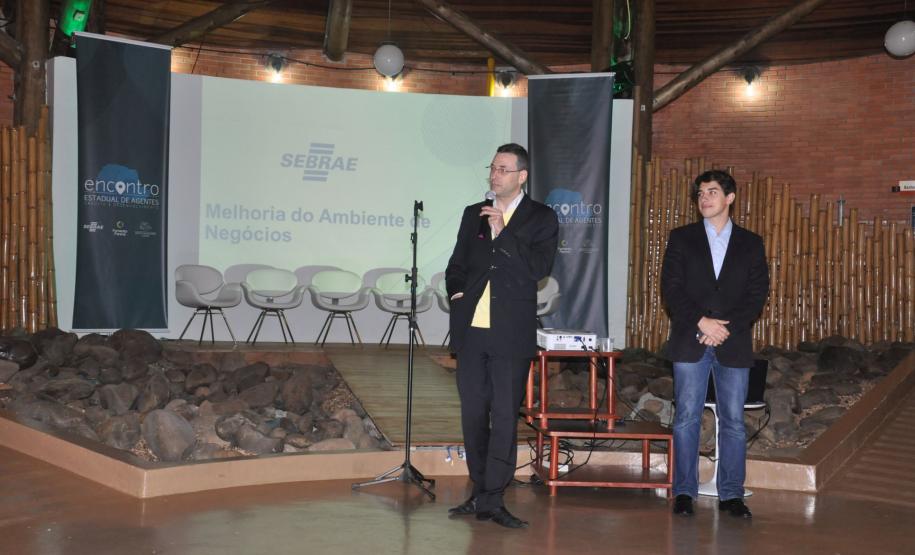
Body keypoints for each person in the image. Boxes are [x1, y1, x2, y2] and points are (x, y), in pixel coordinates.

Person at [444, 143, 558, 529]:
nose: (494, 175)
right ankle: (479, 490)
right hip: (471, 330)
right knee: (474, 413)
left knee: (505, 416)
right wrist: (456, 291)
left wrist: (503, 232)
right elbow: (456, 264)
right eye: (492, 168)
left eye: (503, 169)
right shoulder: (471, 214)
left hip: (510, 333)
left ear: (522, 176)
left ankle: (494, 498)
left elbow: (538, 270)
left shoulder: (542, 218)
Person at [661, 169, 769, 519]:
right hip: (690, 338)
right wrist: (702, 322)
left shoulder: (751, 243)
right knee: (686, 418)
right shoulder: (681, 238)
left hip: (732, 341)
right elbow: (671, 289)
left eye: (711, 192)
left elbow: (757, 294)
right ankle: (683, 493)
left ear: (730, 198)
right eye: (700, 194)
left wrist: (725, 328)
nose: (704, 199)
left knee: (734, 421)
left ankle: (731, 495)